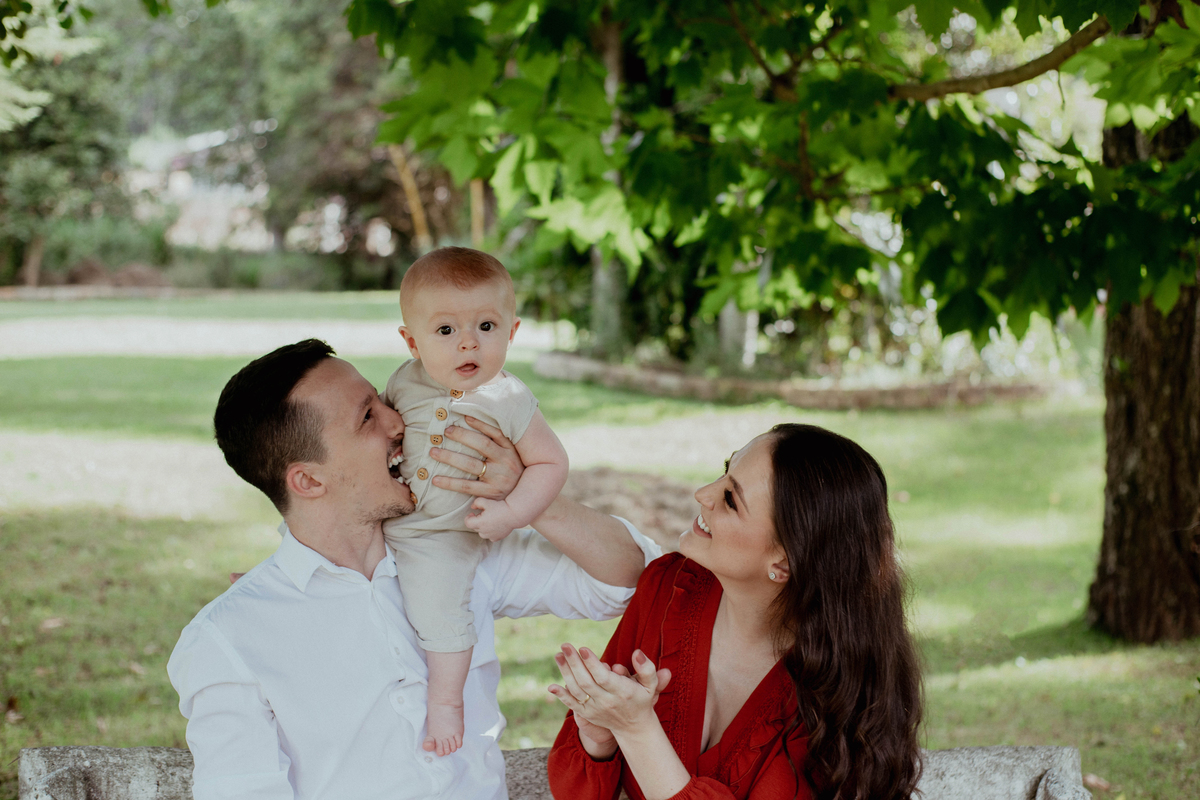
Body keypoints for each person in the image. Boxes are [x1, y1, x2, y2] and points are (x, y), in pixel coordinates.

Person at [167, 339, 659, 800]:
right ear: (309, 481)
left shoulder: (460, 547)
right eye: (367, 417)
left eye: (382, 399)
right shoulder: (228, 640)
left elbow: (626, 580)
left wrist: (528, 496)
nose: (398, 421)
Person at [547, 424, 923, 800]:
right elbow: (573, 789)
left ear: (784, 562)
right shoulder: (670, 587)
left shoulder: (831, 699)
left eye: (731, 499)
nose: (702, 494)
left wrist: (636, 730)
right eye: (725, 471)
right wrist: (599, 739)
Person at [382, 247, 569, 756]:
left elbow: (551, 463)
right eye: (445, 331)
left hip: (441, 536)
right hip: (387, 512)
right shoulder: (403, 381)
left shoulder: (510, 400)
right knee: (325, 540)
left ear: (511, 332)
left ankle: (446, 702)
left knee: (440, 607)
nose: (468, 342)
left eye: (486, 326)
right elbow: (385, 432)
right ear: (412, 341)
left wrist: (511, 513)